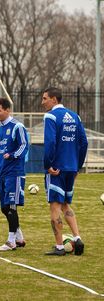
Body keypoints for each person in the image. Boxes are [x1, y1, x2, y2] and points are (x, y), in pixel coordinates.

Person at [41, 87, 88, 256]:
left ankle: (59, 246)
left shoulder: (51, 116)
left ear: (54, 99)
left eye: (45, 98)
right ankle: (77, 237)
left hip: (56, 169)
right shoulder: (75, 116)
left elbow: (50, 143)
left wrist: (48, 164)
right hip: (71, 167)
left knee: (54, 207)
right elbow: (84, 143)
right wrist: (78, 166)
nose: (42, 101)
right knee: (65, 204)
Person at [0, 97, 29, 251]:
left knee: (11, 207)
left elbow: (24, 146)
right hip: (3, 174)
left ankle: (11, 241)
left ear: (7, 110)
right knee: (4, 208)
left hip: (15, 173)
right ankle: (19, 238)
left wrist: (12, 155)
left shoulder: (17, 126)